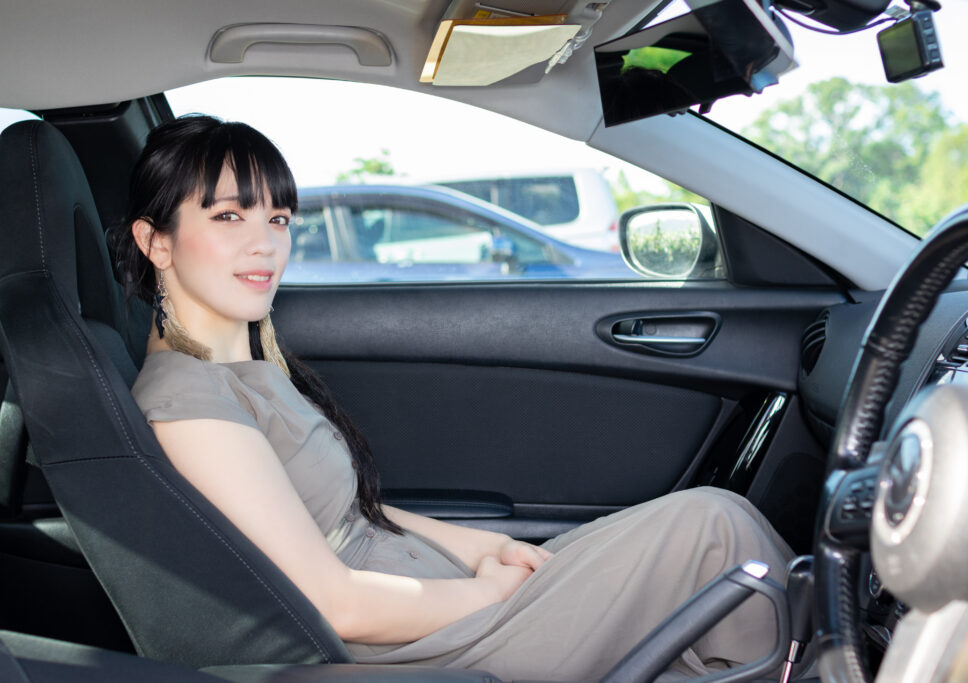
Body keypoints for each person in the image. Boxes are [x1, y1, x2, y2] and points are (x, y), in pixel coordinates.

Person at [112, 115, 795, 682]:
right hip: (420, 649)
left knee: (701, 571)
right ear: (155, 241)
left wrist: (486, 546)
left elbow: (355, 513)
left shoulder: (247, 368)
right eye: (229, 216)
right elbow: (334, 603)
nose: (265, 243)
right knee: (714, 529)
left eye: (279, 218)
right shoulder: (189, 404)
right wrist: (489, 591)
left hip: (435, 599)